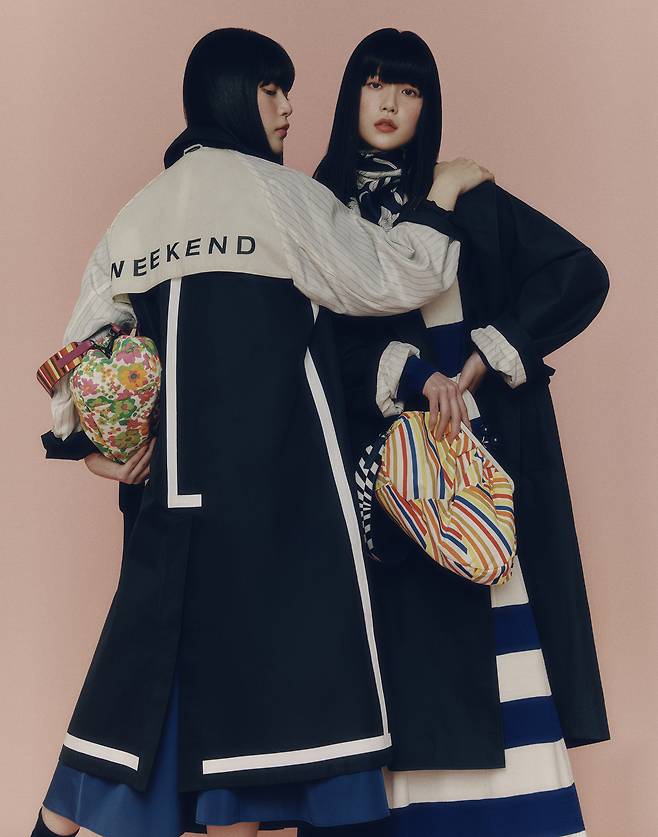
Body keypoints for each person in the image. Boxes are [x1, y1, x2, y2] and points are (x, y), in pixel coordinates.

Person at [33, 27, 492, 837]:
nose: (286, 109)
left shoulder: (134, 214)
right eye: (272, 89)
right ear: (231, 93)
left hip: (172, 513)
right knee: (250, 739)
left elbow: (82, 358)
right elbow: (395, 275)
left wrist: (102, 456)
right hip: (274, 510)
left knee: (133, 714)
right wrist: (443, 194)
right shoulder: (278, 196)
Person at [299, 28, 610, 836]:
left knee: (493, 633)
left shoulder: (470, 199)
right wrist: (408, 375)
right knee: (399, 665)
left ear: (427, 106)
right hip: (383, 473)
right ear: (351, 94)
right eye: (375, 84)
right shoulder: (314, 206)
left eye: (409, 90)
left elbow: (578, 271)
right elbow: (316, 344)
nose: (390, 103)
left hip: (473, 467)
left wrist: (488, 352)